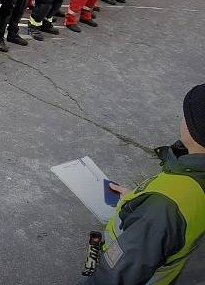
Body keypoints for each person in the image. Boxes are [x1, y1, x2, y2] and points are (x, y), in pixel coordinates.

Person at [86, 83, 205, 284]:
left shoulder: (163, 209)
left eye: (187, 115)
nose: (183, 119)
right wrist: (138, 200)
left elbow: (114, 277)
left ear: (195, 128)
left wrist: (151, 207)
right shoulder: (188, 177)